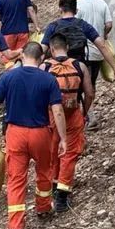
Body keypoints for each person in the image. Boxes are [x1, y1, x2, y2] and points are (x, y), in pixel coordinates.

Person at [0, 42, 67, 229]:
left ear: (22, 57)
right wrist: (63, 138)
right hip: (40, 132)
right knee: (45, 171)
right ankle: (44, 207)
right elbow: (58, 111)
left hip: (15, 133)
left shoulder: (8, 77)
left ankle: (16, 224)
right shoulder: (48, 79)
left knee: (16, 178)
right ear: (41, 59)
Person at [41, 33, 94, 212]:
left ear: (51, 48)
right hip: (72, 115)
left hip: (50, 115)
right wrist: (84, 112)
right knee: (69, 154)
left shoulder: (45, 67)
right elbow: (90, 93)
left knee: (53, 151)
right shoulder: (80, 66)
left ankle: (54, 186)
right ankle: (62, 197)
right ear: (67, 47)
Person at [40, 0, 115, 82]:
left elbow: (42, 50)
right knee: (84, 92)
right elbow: (102, 46)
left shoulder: (53, 26)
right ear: (76, 11)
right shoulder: (83, 25)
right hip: (78, 69)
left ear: (60, 10)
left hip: (58, 72)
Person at [71, 0, 113, 92]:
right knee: (92, 82)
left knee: (80, 83)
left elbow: (72, 26)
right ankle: (90, 108)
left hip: (81, 51)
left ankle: (82, 107)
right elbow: (109, 24)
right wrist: (103, 35)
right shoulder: (102, 3)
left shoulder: (76, 5)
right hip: (98, 51)